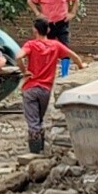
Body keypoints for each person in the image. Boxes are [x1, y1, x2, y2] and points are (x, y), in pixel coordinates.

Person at [13, 19, 85, 154]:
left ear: (35, 30)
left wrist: (24, 71)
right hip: (45, 90)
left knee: (33, 122)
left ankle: (35, 151)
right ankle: (40, 148)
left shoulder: (31, 44)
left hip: (30, 87)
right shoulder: (56, 45)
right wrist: (81, 65)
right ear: (48, 30)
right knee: (38, 119)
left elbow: (18, 56)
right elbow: (74, 56)